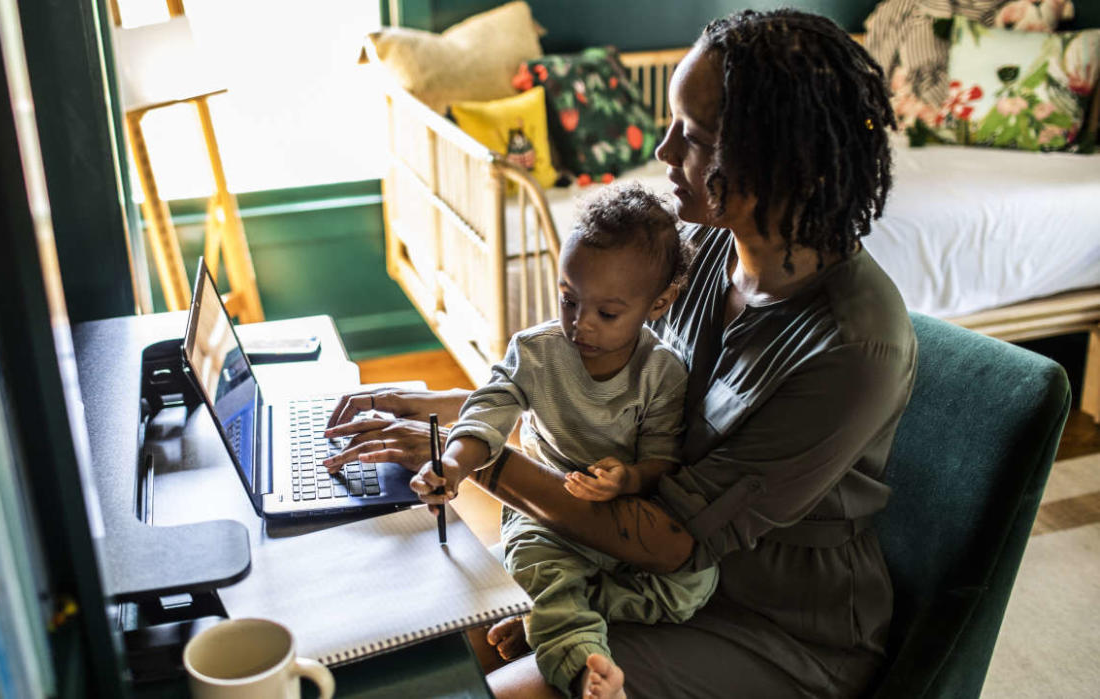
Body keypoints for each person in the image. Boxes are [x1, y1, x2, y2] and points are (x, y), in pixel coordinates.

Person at [324, 8, 916, 698]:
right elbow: (625, 402)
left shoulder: (850, 348)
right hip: (642, 576)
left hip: (776, 631)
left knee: (486, 687)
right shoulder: (708, 254)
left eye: (693, 137)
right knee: (418, 649)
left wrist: (477, 453)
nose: (664, 152)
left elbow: (669, 535)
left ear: (777, 160)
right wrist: (467, 409)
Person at [439, 182, 717, 696]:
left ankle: (576, 599)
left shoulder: (661, 372)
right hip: (546, 520)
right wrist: (455, 463)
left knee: (694, 586)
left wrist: (628, 477)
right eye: (568, 299)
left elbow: (661, 459)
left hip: (620, 523)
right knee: (544, 572)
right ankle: (582, 664)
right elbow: (489, 405)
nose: (580, 324)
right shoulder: (537, 351)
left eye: (606, 314)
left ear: (658, 303)